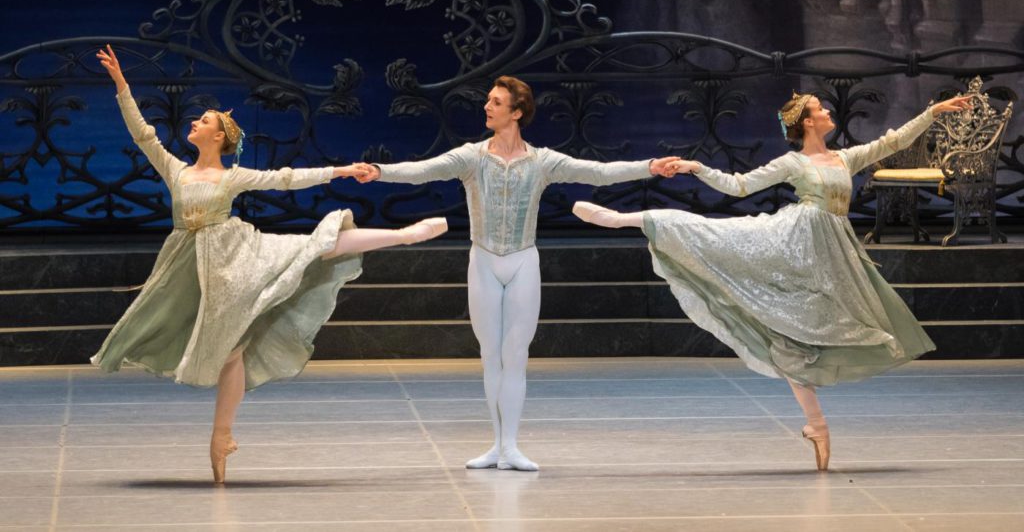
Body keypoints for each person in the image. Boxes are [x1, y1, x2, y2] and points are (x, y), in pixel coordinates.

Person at [90, 45, 447, 483]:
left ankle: (403, 235)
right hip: (192, 267)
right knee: (228, 351)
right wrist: (122, 85)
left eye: (203, 121)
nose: (194, 123)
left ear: (218, 136)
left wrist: (339, 170)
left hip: (235, 261)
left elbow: (286, 179)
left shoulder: (231, 176)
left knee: (311, 248)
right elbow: (144, 135)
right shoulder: (177, 171)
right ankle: (222, 438)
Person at [573, 91, 972, 471]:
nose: (828, 111)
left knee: (800, 335)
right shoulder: (794, 163)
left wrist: (933, 113)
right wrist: (697, 168)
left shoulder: (844, 158)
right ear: (808, 121)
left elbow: (893, 142)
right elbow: (739, 186)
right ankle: (634, 219)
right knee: (721, 241)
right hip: (794, 244)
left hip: (829, 255)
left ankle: (815, 425)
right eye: (820, 108)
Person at [354, 76, 680, 471]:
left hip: (523, 261)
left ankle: (511, 444)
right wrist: (379, 171)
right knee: (490, 355)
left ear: (517, 112)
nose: (486, 107)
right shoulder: (471, 157)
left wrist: (649, 166)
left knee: (516, 355)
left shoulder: (542, 161)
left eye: (495, 102)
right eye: (488, 101)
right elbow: (423, 170)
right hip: (484, 261)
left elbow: (598, 172)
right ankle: (496, 443)